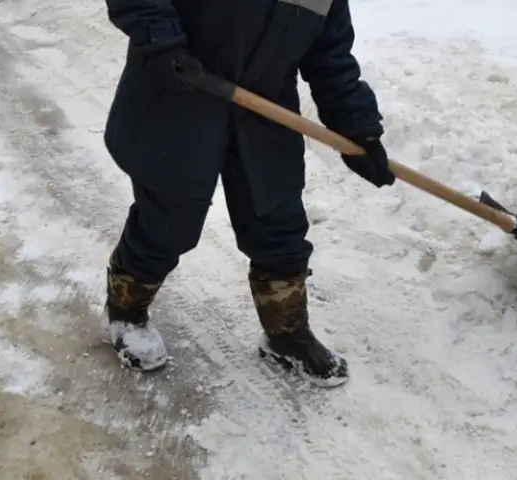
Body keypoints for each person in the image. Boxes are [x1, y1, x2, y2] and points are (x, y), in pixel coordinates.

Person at [103, 0, 395, 388]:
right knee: (167, 221)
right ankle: (125, 310)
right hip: (183, 88)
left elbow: (330, 56)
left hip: (265, 108)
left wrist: (359, 129)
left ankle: (287, 334)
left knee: (278, 221)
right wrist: (161, 41)